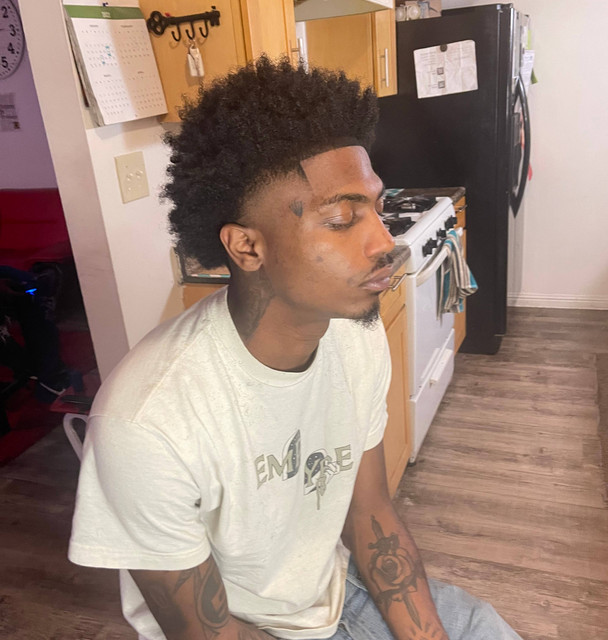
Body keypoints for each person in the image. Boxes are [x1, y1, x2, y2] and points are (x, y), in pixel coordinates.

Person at [69, 57, 522, 640]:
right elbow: (207, 634)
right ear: (247, 247)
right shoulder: (147, 423)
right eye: (342, 219)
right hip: (247, 629)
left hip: (336, 591)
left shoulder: (355, 337)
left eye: (378, 209)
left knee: (484, 628)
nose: (385, 242)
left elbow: (371, 515)